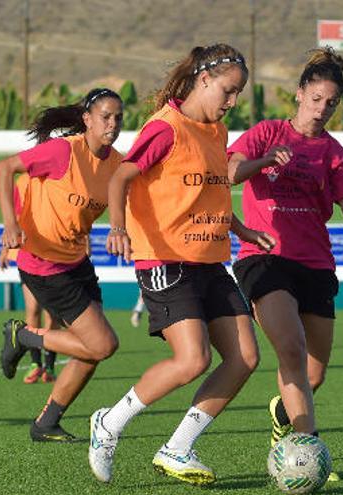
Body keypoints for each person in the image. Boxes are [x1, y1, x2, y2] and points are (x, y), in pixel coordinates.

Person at [89, 43, 272, 486]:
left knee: (245, 357)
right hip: (165, 258)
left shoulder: (216, 132)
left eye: (238, 95)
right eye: (228, 91)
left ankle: (179, 446)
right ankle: (109, 423)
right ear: (204, 80)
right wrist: (117, 227)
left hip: (210, 260)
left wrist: (242, 230)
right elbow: (122, 176)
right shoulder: (166, 128)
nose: (232, 102)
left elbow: (207, 195)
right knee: (192, 359)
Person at [226, 47, 343, 481]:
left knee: (314, 373)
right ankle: (308, 457)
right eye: (317, 98)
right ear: (300, 93)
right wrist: (265, 161)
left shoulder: (336, 154)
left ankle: (281, 416)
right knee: (291, 349)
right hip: (265, 260)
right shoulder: (266, 133)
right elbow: (230, 172)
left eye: (332, 103)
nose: (323, 108)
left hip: (316, 267)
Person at [0, 88, 124, 442]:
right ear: (87, 119)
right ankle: (22, 335)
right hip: (43, 264)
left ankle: (46, 422)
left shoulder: (117, 164)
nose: (113, 124)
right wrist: (10, 223)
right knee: (102, 345)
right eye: (105, 116)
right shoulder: (62, 151)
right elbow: (5, 168)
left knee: (91, 349)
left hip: (78, 262)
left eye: (118, 117)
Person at [0, 173, 59, 384]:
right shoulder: (22, 181)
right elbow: (13, 216)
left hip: (56, 254)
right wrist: (5, 249)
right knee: (32, 310)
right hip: (28, 255)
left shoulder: (60, 178)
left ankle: (49, 366)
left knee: (52, 314)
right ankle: (35, 364)